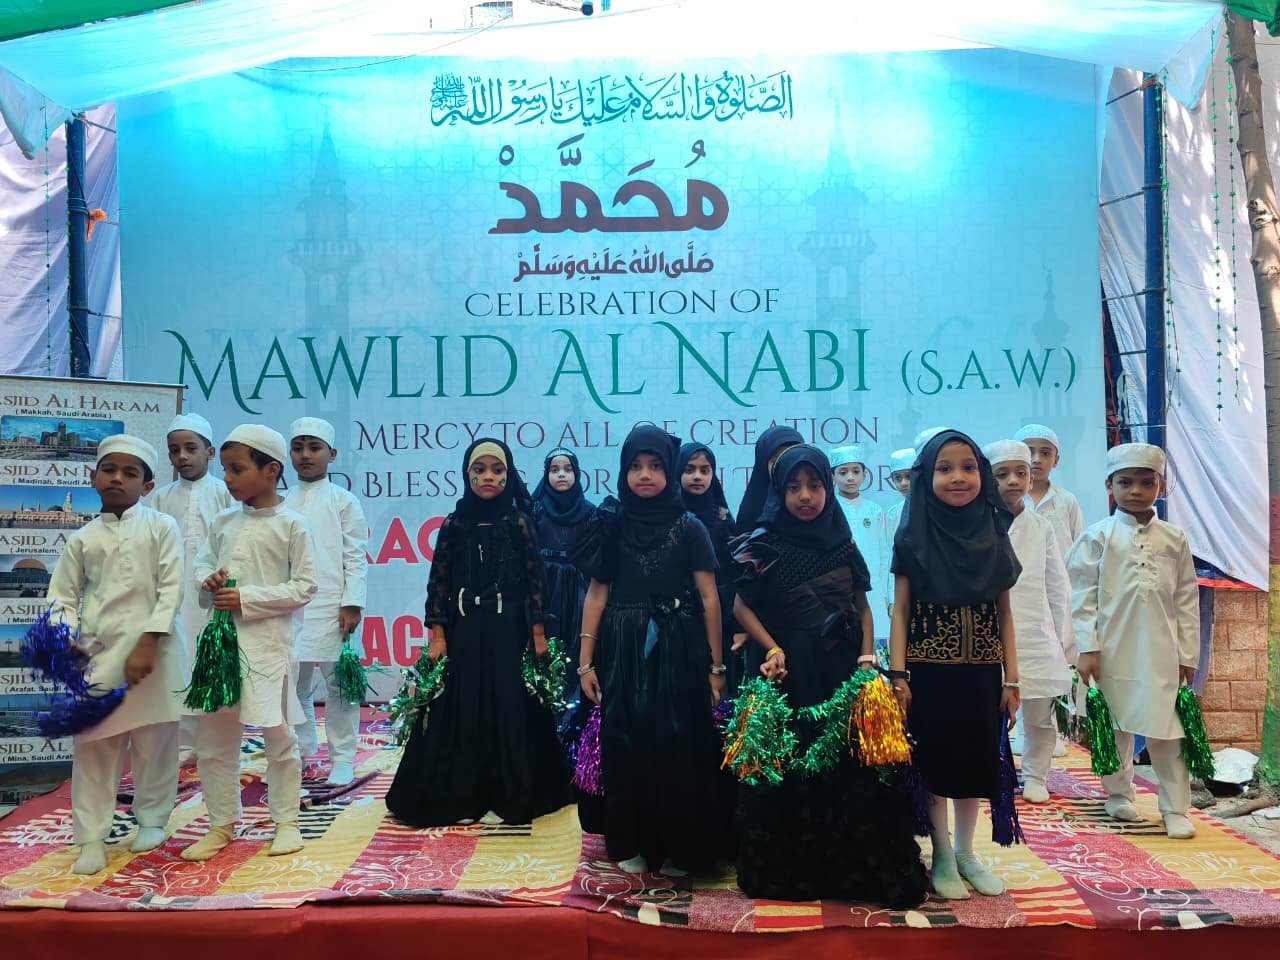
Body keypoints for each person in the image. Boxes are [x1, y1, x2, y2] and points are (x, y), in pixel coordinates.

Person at [731, 445, 928, 905]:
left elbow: (863, 606)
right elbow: (740, 606)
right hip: (792, 673)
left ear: (827, 488)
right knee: (796, 763)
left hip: (843, 669)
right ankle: (799, 870)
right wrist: (772, 646)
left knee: (852, 767)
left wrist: (866, 659)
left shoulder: (842, 541)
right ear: (779, 492)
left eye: (815, 485)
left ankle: (853, 869)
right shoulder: (763, 543)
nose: (806, 496)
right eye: (794, 487)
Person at [386, 439, 569, 827]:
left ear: (509, 475)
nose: (488, 477)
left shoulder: (519, 522)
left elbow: (536, 581)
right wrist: (438, 634)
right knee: (462, 702)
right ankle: (463, 793)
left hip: (509, 630)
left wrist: (538, 632)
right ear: (466, 473)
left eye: (497, 470)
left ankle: (513, 791)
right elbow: (438, 581)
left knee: (511, 703)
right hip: (464, 628)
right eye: (479, 469)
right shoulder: (454, 524)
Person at [577, 426, 726, 876]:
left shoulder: (690, 526)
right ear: (623, 471)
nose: (645, 474)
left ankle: (682, 847)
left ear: (670, 470)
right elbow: (597, 595)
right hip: (623, 648)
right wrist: (585, 663)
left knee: (679, 744)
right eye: (636, 466)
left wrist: (716, 666)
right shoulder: (611, 524)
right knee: (626, 741)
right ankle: (631, 840)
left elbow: (710, 598)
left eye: (656, 466)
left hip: (679, 646)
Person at [890, 429, 1022, 900]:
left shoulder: (993, 530)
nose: (958, 477)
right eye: (944, 469)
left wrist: (1012, 678)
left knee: (976, 763)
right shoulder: (913, 536)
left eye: (968, 467)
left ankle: (967, 852)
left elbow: (1004, 613)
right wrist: (898, 676)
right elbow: (900, 611)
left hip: (983, 673)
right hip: (928, 672)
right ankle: (942, 854)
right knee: (935, 763)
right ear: (926, 477)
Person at [47, 435, 184, 875]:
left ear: (147, 485)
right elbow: (62, 597)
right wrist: (65, 641)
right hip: (99, 654)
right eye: (109, 470)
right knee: (93, 746)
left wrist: (149, 641)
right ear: (93, 478)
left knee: (155, 741)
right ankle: (91, 836)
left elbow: (171, 588)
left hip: (155, 652)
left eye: (130, 472)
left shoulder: (162, 527)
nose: (118, 478)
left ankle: (153, 819)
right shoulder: (83, 538)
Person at [183, 424, 317, 862]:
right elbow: (202, 564)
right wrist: (208, 579)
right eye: (225, 469)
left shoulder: (292, 525)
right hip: (219, 650)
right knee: (214, 742)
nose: (227, 478)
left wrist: (248, 598)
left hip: (269, 649)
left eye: (237, 469)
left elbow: (305, 587)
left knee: (279, 737)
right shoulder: (223, 522)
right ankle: (221, 823)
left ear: (271, 470)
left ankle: (286, 821)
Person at [1068, 443, 1199, 839]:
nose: (1136, 490)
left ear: (1160, 485)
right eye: (1126, 482)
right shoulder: (1097, 537)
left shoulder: (1174, 538)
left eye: (1147, 482)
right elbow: (1082, 598)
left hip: (1162, 651)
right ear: (1109, 486)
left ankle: (1175, 808)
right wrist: (1087, 648)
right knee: (1114, 725)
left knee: (1168, 729)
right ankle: (1119, 794)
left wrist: (1188, 654)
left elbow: (1186, 599)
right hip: (1111, 650)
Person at [984, 440, 1074, 805]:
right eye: (1002, 474)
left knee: (1039, 715)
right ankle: (992, 772)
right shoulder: (977, 524)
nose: (1013, 481)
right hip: (988, 635)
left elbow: (1058, 585)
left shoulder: (1041, 527)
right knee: (987, 713)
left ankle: (1036, 774)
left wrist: (1064, 640)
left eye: (1020, 473)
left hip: (1036, 633)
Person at [282, 417, 368, 787]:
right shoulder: (282, 502)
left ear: (331, 454)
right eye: (298, 448)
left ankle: (343, 758)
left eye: (314, 448)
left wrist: (352, 602)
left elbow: (355, 556)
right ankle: (301, 751)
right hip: (291, 607)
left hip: (334, 606)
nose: (305, 455)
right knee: (293, 686)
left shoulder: (343, 501)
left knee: (340, 687)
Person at [149, 413, 235, 767]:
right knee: (179, 663)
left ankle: (218, 740)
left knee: (212, 663)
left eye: (190, 448)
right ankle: (185, 743)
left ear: (210, 452)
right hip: (173, 593)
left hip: (214, 595)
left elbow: (234, 543)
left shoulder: (226, 493)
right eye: (174, 450)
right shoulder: (160, 498)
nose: (182, 456)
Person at [530, 446, 595, 729]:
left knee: (575, 647)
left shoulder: (590, 512)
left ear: (577, 474)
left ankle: (574, 722)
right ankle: (545, 719)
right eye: (554, 470)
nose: (561, 475)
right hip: (544, 590)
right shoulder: (534, 510)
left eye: (567, 469)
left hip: (578, 590)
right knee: (546, 649)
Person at [678, 441, 743, 690]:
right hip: (679, 616)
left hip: (720, 617)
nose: (697, 476)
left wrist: (738, 625)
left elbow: (734, 572)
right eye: (689, 469)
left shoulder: (722, 517)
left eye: (704, 470)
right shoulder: (670, 515)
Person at [829, 444, 889, 649]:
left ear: (865, 475)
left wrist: (889, 595)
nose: (850, 478)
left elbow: (884, 553)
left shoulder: (874, 510)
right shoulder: (829, 510)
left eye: (855, 471)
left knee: (878, 641)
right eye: (843, 472)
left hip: (874, 587)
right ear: (833, 477)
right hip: (840, 586)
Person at [1013, 424, 1086, 561]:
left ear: (1056, 460)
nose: (1037, 459)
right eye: (1029, 452)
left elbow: (1080, 548)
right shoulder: (1007, 500)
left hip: (1061, 573)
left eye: (1045, 453)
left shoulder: (1066, 500)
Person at [734, 425, 803, 535]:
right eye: (776, 461)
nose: (785, 466)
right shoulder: (751, 512)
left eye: (792, 458)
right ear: (763, 464)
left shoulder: (813, 501)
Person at [883, 447, 914, 625]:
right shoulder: (894, 514)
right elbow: (891, 555)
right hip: (903, 586)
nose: (903, 483)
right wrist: (892, 598)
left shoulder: (937, 508)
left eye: (909, 476)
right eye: (898, 478)